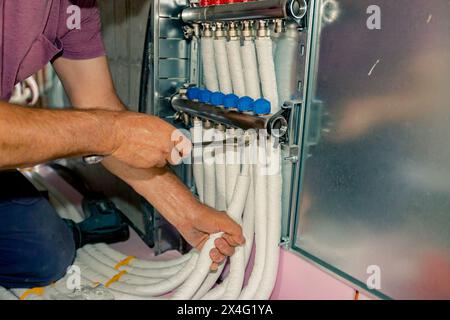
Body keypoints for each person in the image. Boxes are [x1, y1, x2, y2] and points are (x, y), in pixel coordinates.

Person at [0, 0, 244, 289]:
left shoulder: (79, 8)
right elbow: (111, 131)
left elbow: (99, 104)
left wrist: (187, 212)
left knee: (44, 253)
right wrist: (114, 134)